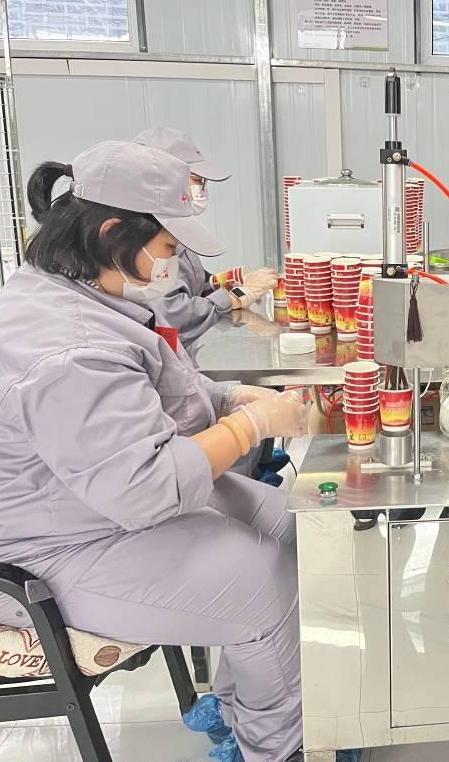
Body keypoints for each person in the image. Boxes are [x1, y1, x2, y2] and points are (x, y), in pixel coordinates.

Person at [0, 141, 310, 761]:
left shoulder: (82, 295)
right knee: (266, 582)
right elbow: (142, 488)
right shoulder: (68, 350)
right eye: (167, 248)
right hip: (60, 546)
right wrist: (250, 427)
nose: (172, 264)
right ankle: (276, 748)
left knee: (297, 529)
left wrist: (228, 399)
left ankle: (245, 705)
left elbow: (153, 392)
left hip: (96, 504)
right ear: (113, 232)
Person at [134, 126, 278, 346]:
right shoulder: (146, 237)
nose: (201, 189)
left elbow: (190, 284)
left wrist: (225, 283)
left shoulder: (174, 227)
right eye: (195, 179)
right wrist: (239, 294)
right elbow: (171, 314)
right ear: (161, 180)